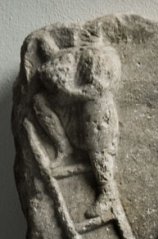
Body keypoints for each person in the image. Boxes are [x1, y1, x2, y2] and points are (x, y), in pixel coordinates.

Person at [32, 28, 121, 218]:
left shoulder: (105, 58)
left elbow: (97, 89)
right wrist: (49, 52)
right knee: (40, 101)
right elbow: (62, 64)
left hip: (95, 116)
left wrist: (67, 91)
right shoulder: (76, 54)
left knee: (97, 129)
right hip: (74, 110)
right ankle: (64, 147)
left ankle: (107, 191)